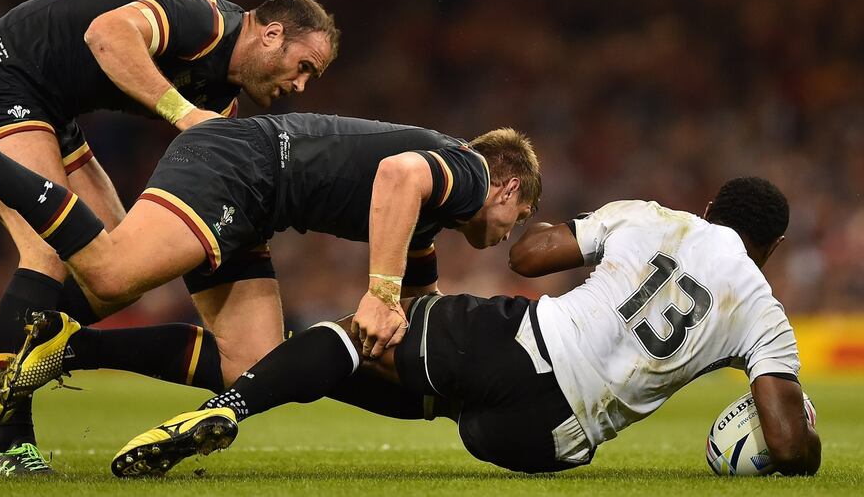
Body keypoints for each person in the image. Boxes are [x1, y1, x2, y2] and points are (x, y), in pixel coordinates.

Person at [0, 105, 541, 474]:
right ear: (509, 188)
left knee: (249, 364)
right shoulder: (472, 171)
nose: (513, 231)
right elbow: (399, 174)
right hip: (243, 166)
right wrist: (383, 291)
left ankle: (39, 354)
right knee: (111, 274)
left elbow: (417, 334)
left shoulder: (431, 220)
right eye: (522, 216)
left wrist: (447, 385)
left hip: (256, 197)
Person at [0, 0, 338, 475]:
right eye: (304, 67)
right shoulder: (203, 19)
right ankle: (9, 445)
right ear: (272, 35)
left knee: (111, 268)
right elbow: (106, 35)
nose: (300, 85)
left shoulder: (222, 97)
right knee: (47, 251)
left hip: (48, 107)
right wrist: (184, 114)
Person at [109, 177, 820, 478]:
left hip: (519, 346)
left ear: (709, 206)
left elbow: (528, 255)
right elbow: (788, 443)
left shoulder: (653, 216)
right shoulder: (762, 310)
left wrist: (575, 229)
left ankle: (228, 406)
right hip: (540, 442)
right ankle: (296, 371)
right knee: (419, 387)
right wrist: (806, 442)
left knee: (366, 333)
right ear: (772, 245)